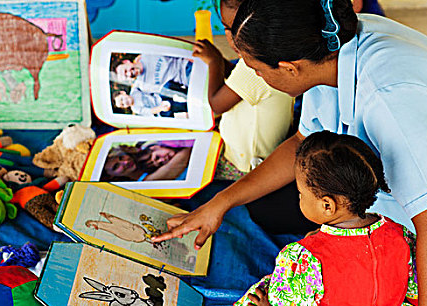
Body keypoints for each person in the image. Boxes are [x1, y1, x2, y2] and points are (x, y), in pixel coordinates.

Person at [155, 0, 427, 306]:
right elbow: (301, 141)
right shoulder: (328, 48)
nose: (256, 78)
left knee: (289, 211)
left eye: (257, 70)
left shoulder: (392, 100)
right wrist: (221, 203)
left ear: (290, 67)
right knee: (269, 204)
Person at [228, 131, 427, 306]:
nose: (298, 198)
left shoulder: (302, 258)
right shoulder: (400, 233)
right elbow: (416, 289)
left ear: (327, 205)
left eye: (301, 193)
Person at [191, 0, 294, 180]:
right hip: (250, 155)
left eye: (232, 29)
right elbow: (236, 81)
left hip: (244, 167)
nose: (229, 37)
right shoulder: (270, 54)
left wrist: (215, 62)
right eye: (226, 28)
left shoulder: (255, 68)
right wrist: (221, 61)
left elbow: (216, 105)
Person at [101, 140, 193, 182]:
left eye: (121, 157)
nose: (125, 162)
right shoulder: (144, 182)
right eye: (116, 166)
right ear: (111, 176)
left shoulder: (145, 153)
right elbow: (183, 158)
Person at [113, 54, 192, 92]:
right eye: (126, 77)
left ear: (126, 62)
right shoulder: (144, 86)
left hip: (186, 65)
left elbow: (176, 52)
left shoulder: (147, 53)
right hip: (186, 82)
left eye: (125, 71)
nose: (129, 74)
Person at [113, 87, 188, 118]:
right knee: (170, 106)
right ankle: (187, 107)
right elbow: (150, 111)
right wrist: (161, 108)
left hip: (158, 97)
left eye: (122, 99)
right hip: (159, 109)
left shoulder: (135, 90)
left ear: (123, 92)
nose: (125, 102)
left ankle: (186, 90)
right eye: (123, 105)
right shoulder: (135, 109)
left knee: (167, 86)